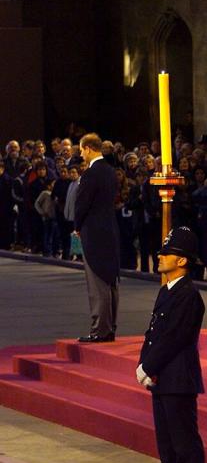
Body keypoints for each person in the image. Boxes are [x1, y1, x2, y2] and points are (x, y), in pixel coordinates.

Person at [135, 226, 206, 463]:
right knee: (166, 443)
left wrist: (148, 367)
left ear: (182, 261)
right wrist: (145, 364)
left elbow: (174, 338)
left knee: (184, 443)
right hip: (162, 378)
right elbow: (153, 333)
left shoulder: (188, 296)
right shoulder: (167, 291)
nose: (161, 256)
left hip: (177, 378)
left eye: (168, 253)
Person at [74, 133, 121, 343]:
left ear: (89, 148)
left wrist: (77, 226)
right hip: (110, 229)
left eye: (81, 149)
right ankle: (110, 327)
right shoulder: (111, 171)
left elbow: (82, 203)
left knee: (97, 281)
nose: (81, 153)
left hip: (93, 231)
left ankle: (99, 329)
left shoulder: (91, 174)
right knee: (110, 279)